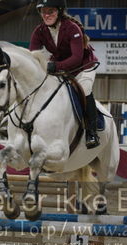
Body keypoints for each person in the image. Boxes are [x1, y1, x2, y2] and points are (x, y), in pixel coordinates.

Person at [29, 0, 100, 149]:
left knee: (85, 89)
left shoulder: (72, 28)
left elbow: (76, 58)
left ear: (59, 11)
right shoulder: (39, 31)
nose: (47, 15)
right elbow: (32, 55)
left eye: (51, 11)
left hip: (83, 66)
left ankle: (92, 132)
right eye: (44, 12)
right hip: (61, 66)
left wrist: (55, 66)